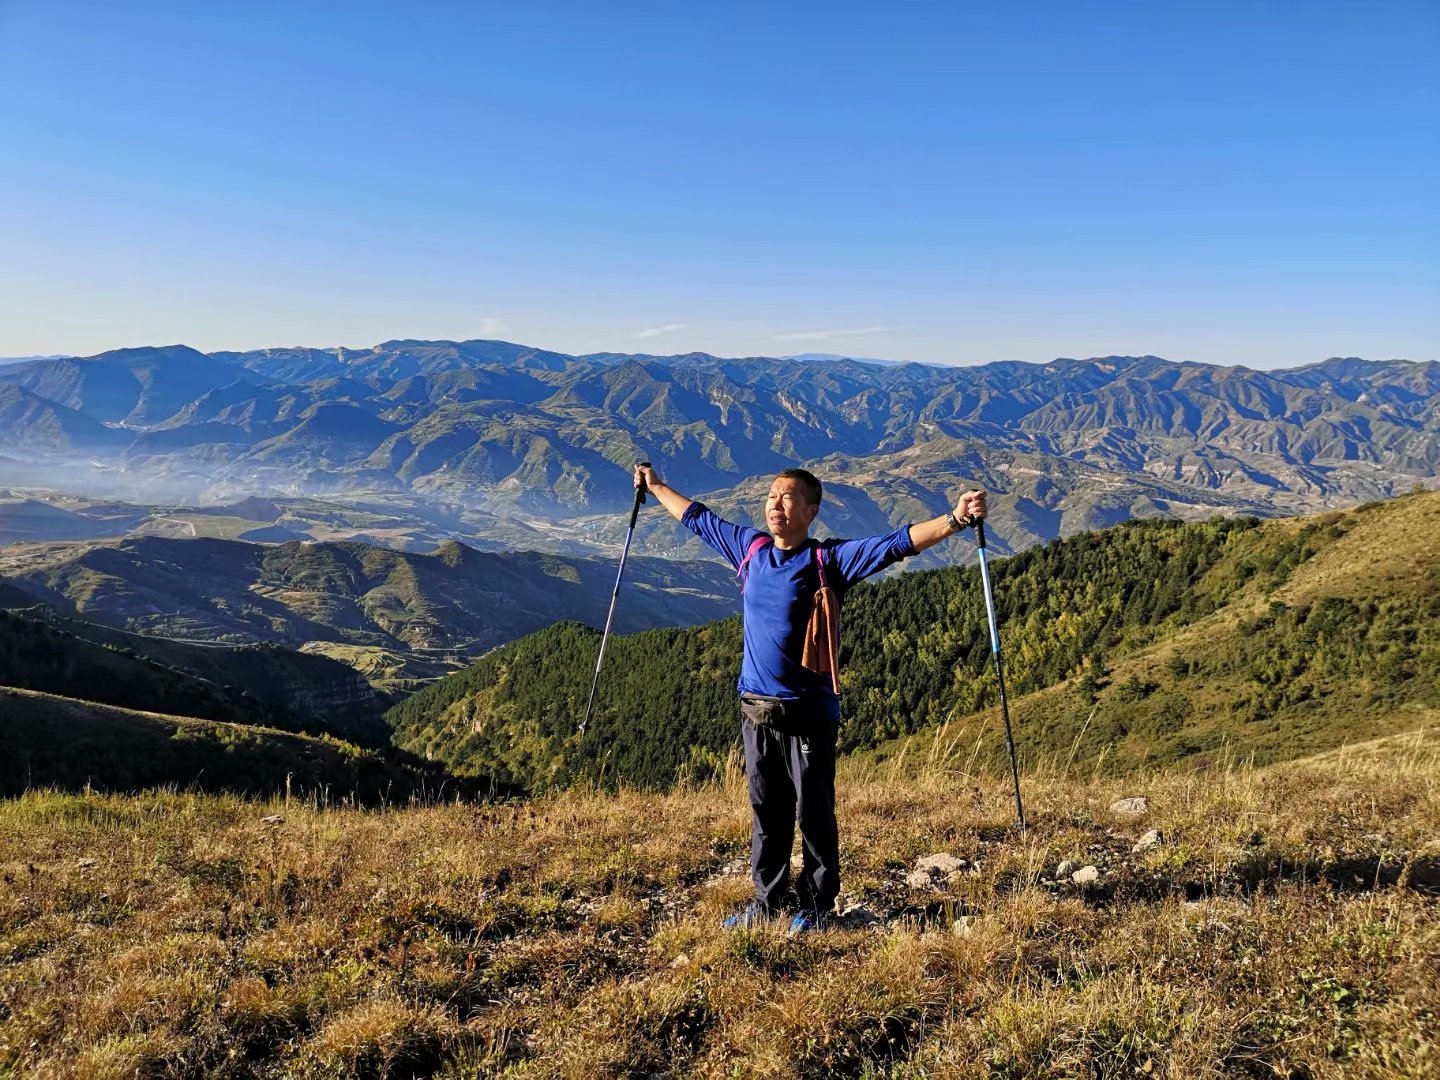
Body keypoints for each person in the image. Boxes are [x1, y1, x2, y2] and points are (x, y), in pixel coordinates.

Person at [633, 462, 988, 934]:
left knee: (813, 813)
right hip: (755, 710)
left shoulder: (828, 561)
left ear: (811, 511)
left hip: (808, 715)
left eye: (787, 497)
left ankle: (817, 906)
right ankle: (768, 902)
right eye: (771, 495)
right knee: (767, 811)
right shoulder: (750, 549)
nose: (775, 505)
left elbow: (897, 543)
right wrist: (657, 486)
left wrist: (956, 519)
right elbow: (698, 518)